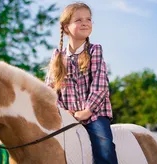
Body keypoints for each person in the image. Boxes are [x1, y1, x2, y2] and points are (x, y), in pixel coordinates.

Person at [44, 2, 118, 164]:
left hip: (95, 114)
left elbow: (100, 85)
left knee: (104, 145)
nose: (85, 22)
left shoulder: (94, 50)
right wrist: (63, 111)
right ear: (65, 27)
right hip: (65, 115)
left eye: (88, 19)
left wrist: (87, 111)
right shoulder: (57, 56)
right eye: (78, 20)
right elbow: (49, 90)